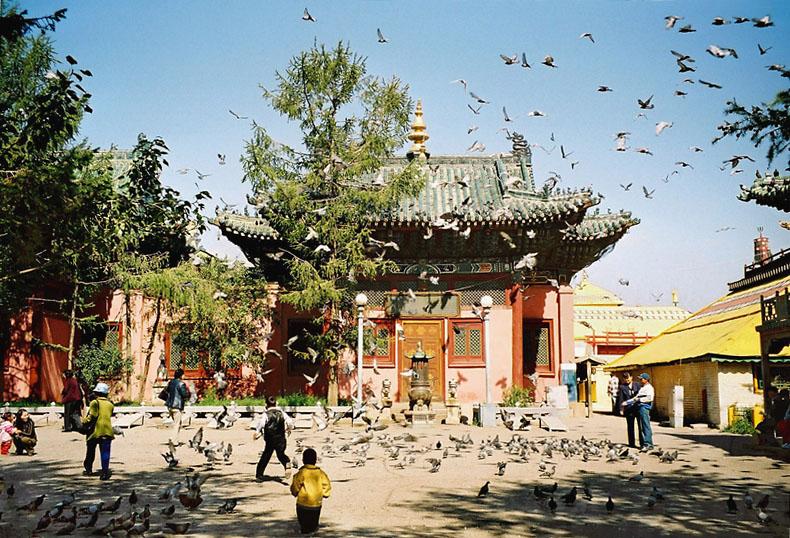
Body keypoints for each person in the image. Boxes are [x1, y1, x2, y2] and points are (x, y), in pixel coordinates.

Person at [290, 448, 331, 534]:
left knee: (303, 522)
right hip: (316, 503)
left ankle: (305, 531)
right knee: (313, 522)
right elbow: (326, 485)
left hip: (303, 503)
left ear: (303, 460)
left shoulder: (301, 472)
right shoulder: (321, 473)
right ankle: (312, 531)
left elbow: (295, 485)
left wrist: (295, 492)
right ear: (315, 460)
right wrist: (325, 494)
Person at [255, 396, 292, 481]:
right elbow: (290, 422)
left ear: (266, 405)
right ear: (276, 403)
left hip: (270, 438)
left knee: (266, 456)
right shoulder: (282, 413)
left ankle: (259, 475)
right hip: (281, 438)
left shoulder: (266, 414)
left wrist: (257, 432)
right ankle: (287, 463)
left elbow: (261, 424)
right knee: (281, 454)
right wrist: (289, 428)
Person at [83, 382, 115, 480]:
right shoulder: (110, 404)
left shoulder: (94, 403)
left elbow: (92, 416)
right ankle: (105, 472)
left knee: (90, 451)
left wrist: (83, 421)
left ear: (96, 393)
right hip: (107, 431)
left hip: (95, 432)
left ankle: (88, 468)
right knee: (105, 453)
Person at [624, 373, 654, 450]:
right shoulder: (642, 388)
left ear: (646, 380)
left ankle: (648, 444)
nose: (640, 380)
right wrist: (627, 402)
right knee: (642, 426)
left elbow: (650, 398)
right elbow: (636, 398)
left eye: (642, 379)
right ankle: (645, 443)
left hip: (644, 407)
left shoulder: (649, 388)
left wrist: (640, 400)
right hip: (640, 408)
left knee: (645, 426)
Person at [163, 368, 190, 444]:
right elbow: (184, 394)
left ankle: (175, 439)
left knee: (178, 423)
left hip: (170, 406)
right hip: (177, 406)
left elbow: (167, 391)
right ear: (181, 375)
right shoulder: (181, 384)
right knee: (177, 424)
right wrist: (188, 391)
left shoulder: (171, 382)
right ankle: (173, 440)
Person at [616, 372, 642, 448]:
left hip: (637, 408)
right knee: (630, 426)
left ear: (631, 377)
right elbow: (621, 398)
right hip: (629, 409)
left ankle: (642, 443)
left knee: (640, 427)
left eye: (628, 378)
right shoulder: (622, 387)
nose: (626, 379)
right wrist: (621, 409)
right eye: (625, 378)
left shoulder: (637, 385)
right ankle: (631, 443)